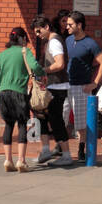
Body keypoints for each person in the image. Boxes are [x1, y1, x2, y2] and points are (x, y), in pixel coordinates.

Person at [0, 26, 43, 172]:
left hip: (3, 93)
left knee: (8, 125)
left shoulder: (3, 54)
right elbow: (35, 67)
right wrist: (42, 72)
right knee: (21, 125)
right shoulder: (25, 51)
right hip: (19, 93)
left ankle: (8, 160)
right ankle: (21, 161)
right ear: (23, 39)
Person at [64, 11, 102, 162]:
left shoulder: (90, 43)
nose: (67, 27)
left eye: (70, 24)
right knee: (61, 117)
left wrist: (94, 83)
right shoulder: (68, 40)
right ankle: (61, 148)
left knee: (81, 123)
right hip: (66, 85)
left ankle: (81, 148)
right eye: (67, 24)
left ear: (79, 25)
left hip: (82, 87)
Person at [30, 14, 72, 166]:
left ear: (46, 27)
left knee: (55, 120)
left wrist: (43, 71)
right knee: (42, 117)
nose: (38, 35)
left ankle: (66, 154)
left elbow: (60, 64)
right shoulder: (51, 41)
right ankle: (46, 149)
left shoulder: (54, 42)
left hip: (57, 87)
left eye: (39, 31)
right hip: (53, 86)